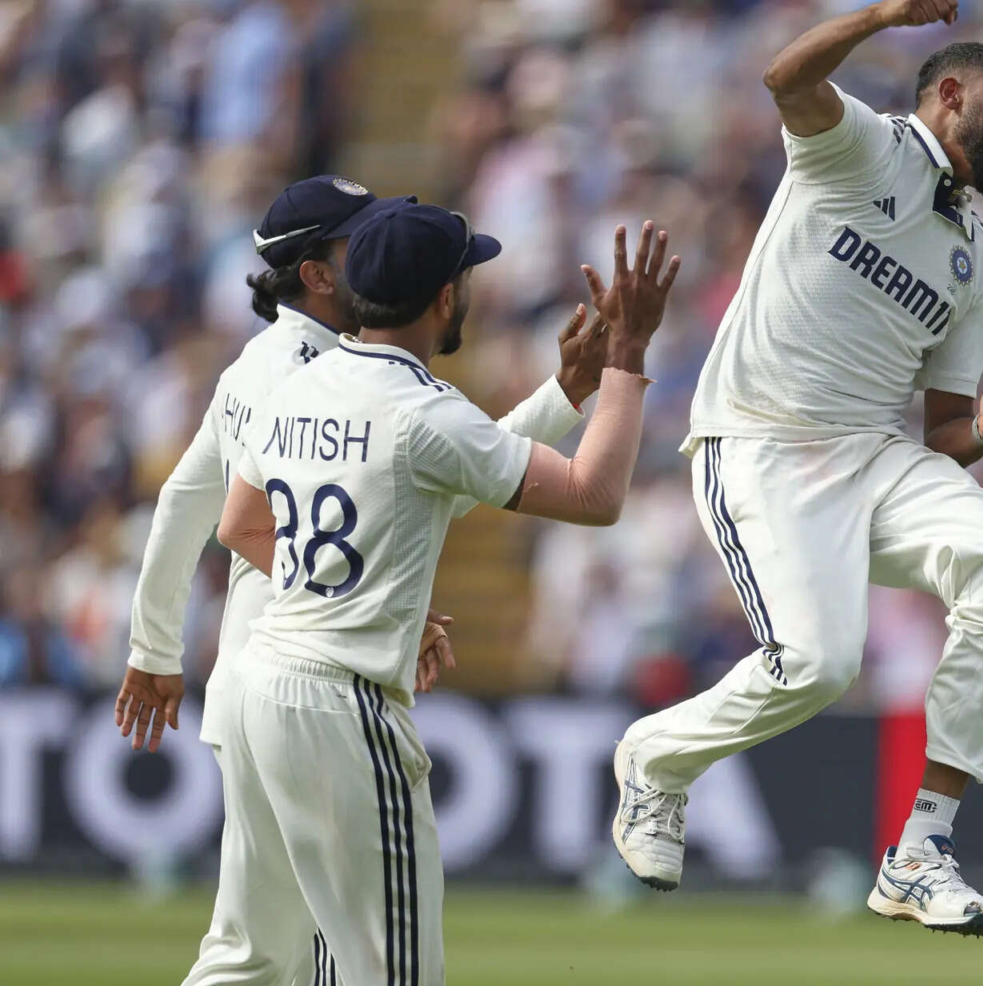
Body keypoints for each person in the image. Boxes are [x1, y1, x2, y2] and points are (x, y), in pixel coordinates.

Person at [611, 0, 983, 937]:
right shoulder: (865, 146)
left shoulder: (977, 253)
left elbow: (943, 436)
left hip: (875, 455)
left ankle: (921, 849)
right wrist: (883, 18)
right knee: (818, 665)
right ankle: (657, 759)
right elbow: (784, 77)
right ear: (951, 95)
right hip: (762, 440)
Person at [114, 175, 612, 985]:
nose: (376, 249)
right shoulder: (318, 374)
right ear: (318, 273)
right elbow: (399, 482)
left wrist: (155, 647)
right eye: (359, 240)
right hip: (318, 681)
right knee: (331, 959)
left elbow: (194, 504)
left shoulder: (261, 363)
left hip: (261, 677)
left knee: (256, 953)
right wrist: (359, 596)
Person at [210, 204, 678, 985]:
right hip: (343, 709)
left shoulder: (301, 386)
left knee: (265, 960)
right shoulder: (422, 409)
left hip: (261, 691)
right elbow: (595, 496)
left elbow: (242, 525)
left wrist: (568, 388)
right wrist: (627, 357)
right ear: (446, 298)